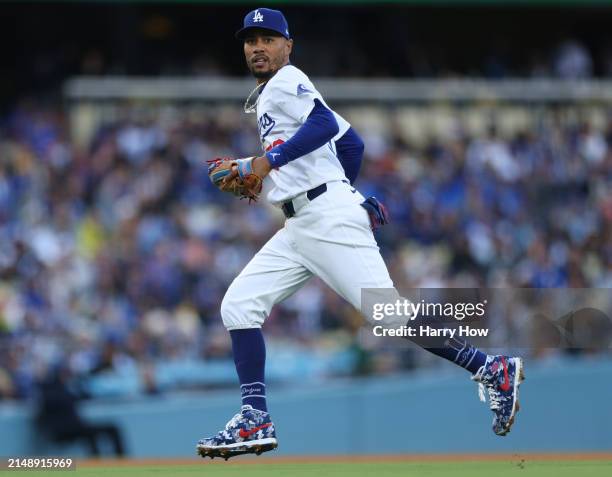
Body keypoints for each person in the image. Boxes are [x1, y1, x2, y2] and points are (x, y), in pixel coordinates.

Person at [197, 7, 524, 460]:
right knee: (239, 305)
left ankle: (491, 368)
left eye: (268, 38)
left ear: (287, 46)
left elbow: (326, 127)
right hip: (302, 224)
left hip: (324, 215)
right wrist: (346, 191)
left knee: (388, 314)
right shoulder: (281, 92)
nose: (258, 47)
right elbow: (352, 143)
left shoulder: (286, 80)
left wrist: (269, 165)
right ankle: (255, 416)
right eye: (251, 40)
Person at [36, 365, 126, 457]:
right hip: (63, 430)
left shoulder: (67, 388)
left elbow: (84, 396)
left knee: (111, 428)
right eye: (65, 373)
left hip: (76, 426)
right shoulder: (50, 390)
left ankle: (122, 461)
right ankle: (96, 464)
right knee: (90, 433)